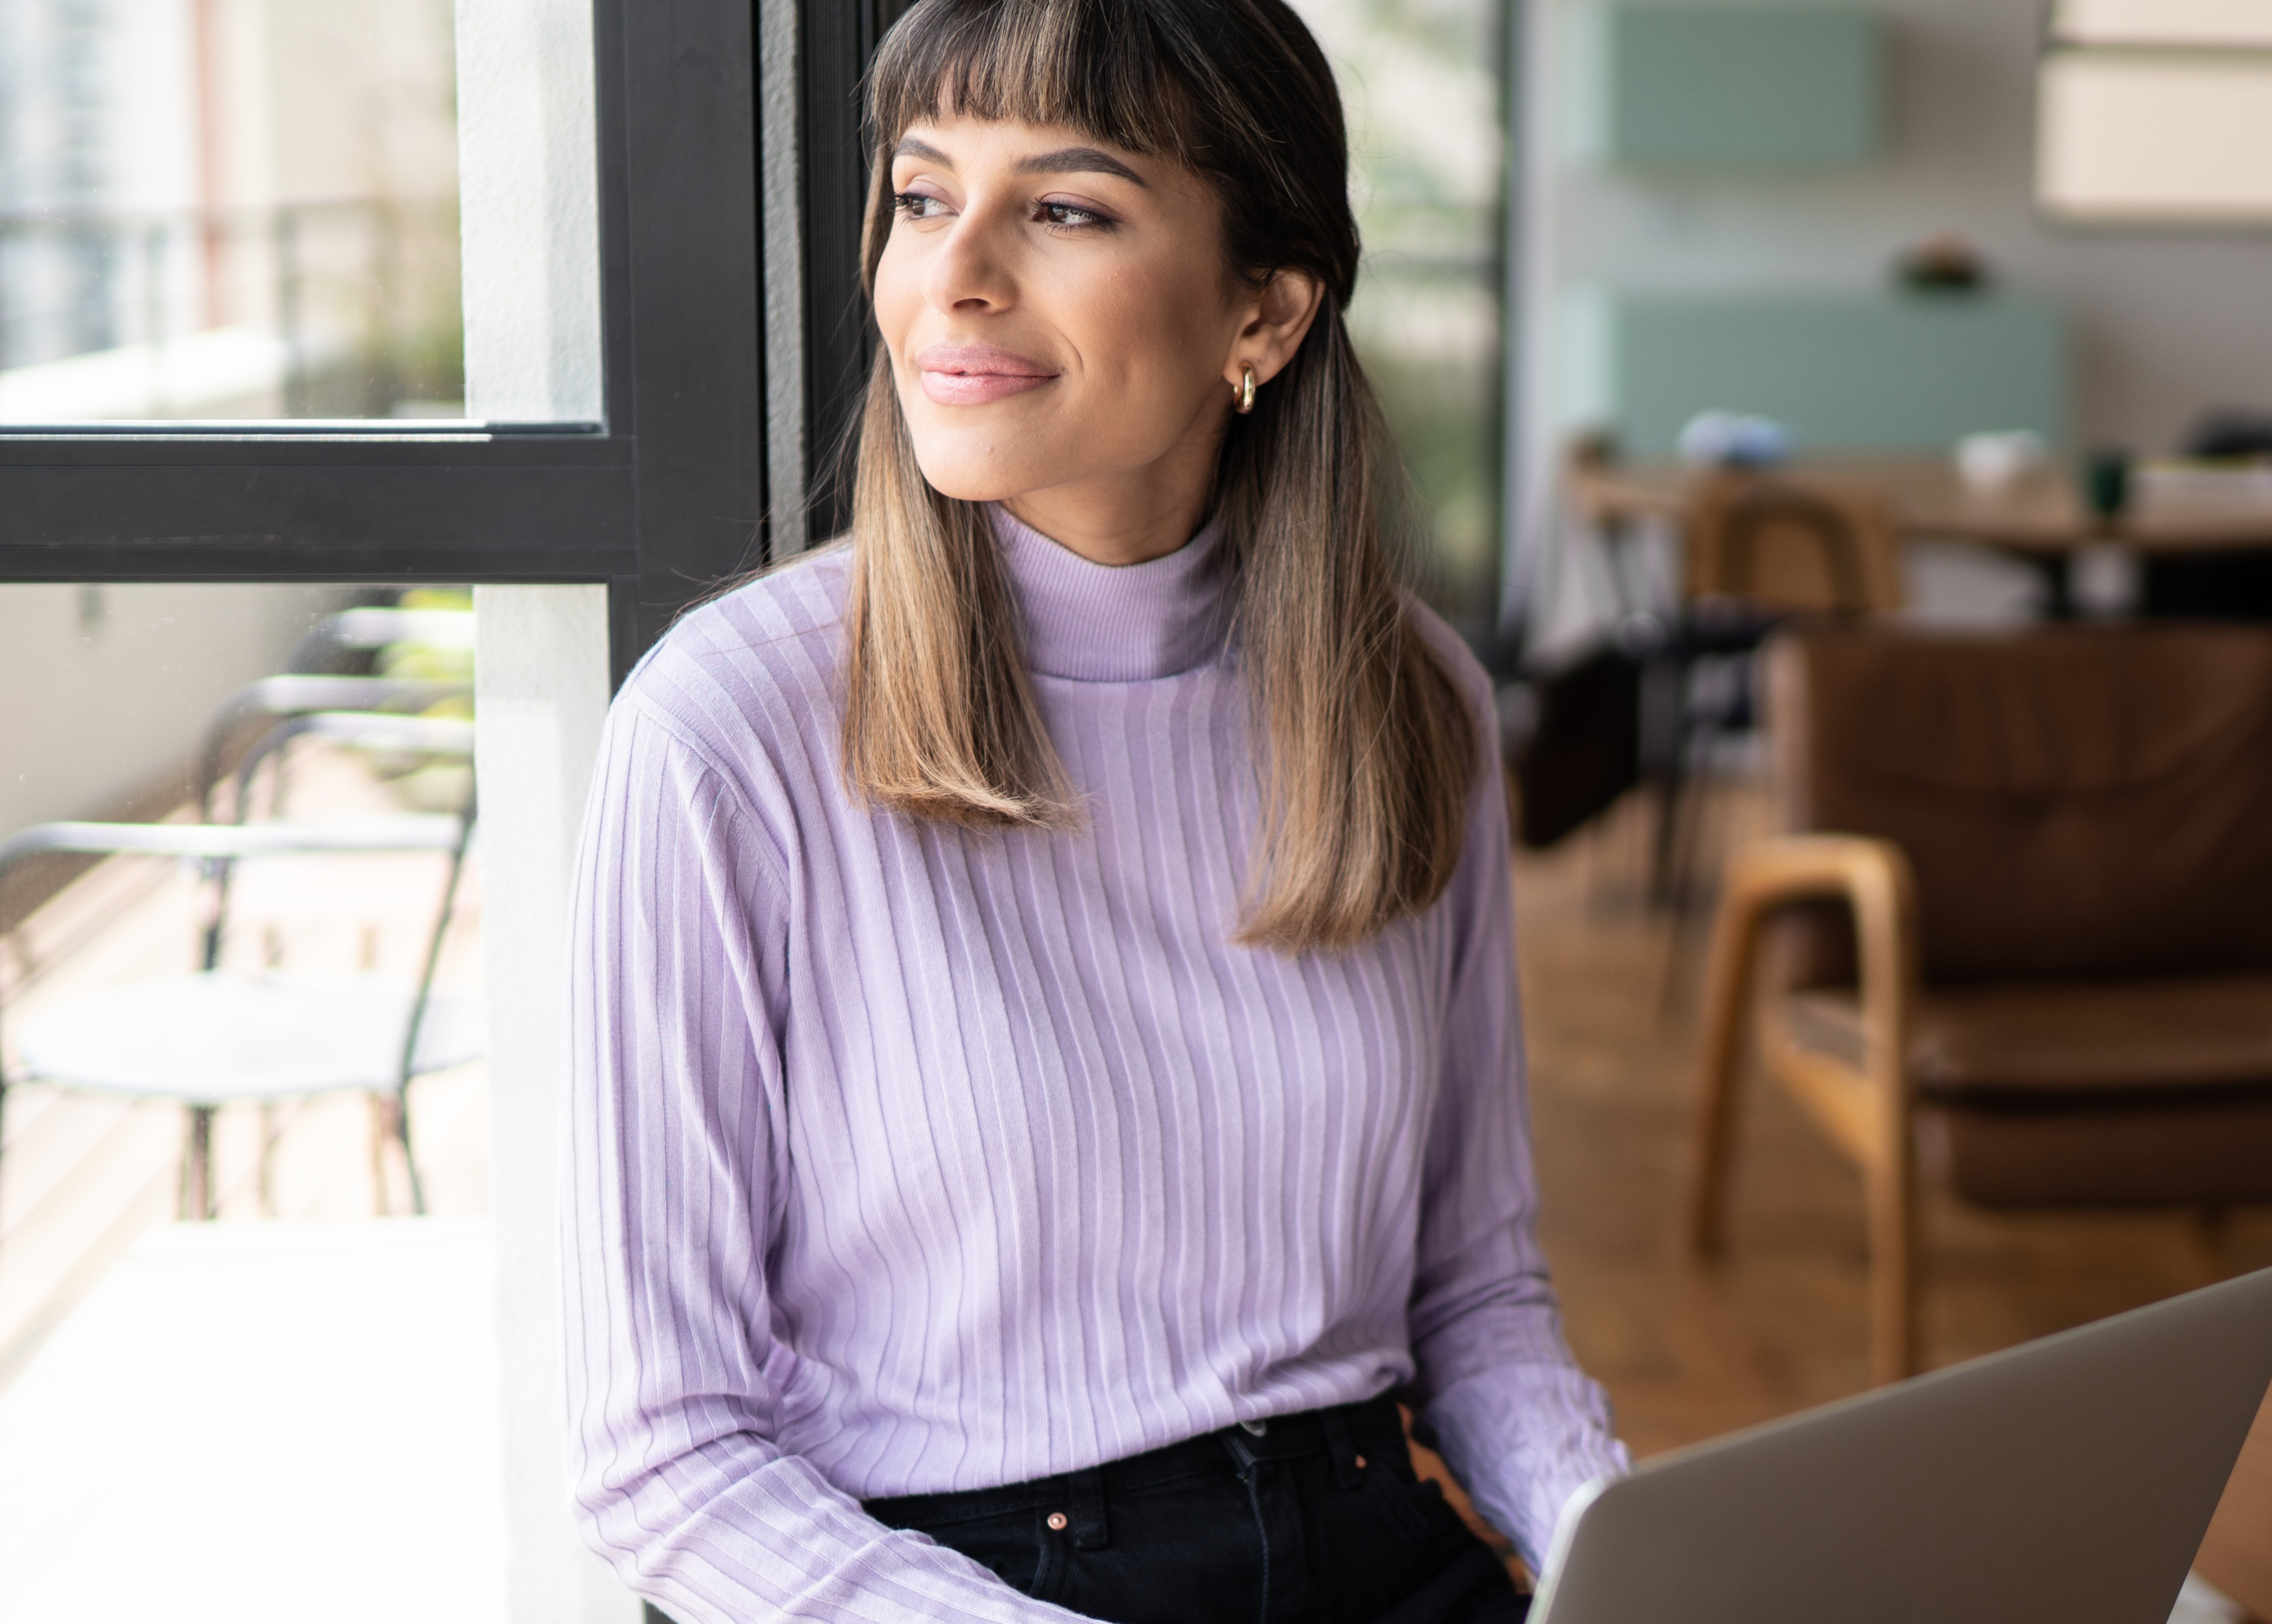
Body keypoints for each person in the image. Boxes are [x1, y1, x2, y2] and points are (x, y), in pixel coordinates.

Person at [560, 0, 1627, 1618]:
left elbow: (1470, 1292)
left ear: (1261, 310)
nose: (954, 274)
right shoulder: (724, 733)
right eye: (923, 195)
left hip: (1370, 1541)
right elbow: (663, 1451)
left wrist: (1629, 1550)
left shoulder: (1412, 701)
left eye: (1062, 207)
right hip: (945, 1576)